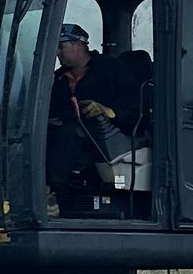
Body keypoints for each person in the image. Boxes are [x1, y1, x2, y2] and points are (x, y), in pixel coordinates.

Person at [47, 22, 132, 217]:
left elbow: (134, 104)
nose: (57, 53)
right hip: (70, 134)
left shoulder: (111, 69)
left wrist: (108, 111)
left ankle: (53, 194)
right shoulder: (58, 79)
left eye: (60, 47)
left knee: (71, 132)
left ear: (79, 45)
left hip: (110, 134)